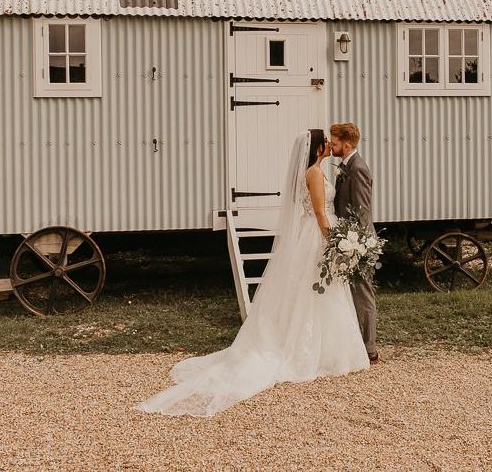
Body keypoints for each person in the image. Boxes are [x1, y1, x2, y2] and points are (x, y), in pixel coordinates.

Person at [136, 129, 369, 417]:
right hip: (317, 236)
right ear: (318, 148)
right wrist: (333, 242)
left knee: (316, 291)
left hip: (312, 235)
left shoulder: (316, 171)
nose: (329, 145)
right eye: (326, 142)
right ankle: (320, 353)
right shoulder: (314, 174)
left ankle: (325, 349)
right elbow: (321, 213)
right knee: (317, 291)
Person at [329, 123, 379, 364]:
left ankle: (369, 348)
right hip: (348, 238)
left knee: (362, 293)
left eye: (335, 143)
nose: (332, 146)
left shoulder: (358, 168)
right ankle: (355, 343)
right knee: (352, 292)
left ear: (347, 145)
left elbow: (362, 209)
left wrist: (357, 243)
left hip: (357, 241)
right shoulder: (345, 166)